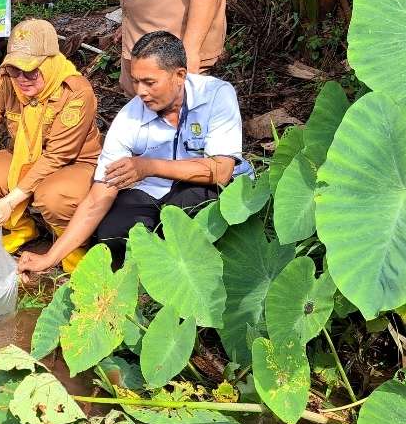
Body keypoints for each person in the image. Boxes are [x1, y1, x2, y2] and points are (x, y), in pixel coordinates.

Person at [18, 31, 252, 274]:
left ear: (180, 75)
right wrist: (49, 258)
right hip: (153, 192)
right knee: (111, 234)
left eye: (149, 82)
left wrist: (148, 166)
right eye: (135, 81)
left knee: (186, 212)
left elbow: (221, 171)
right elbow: (98, 198)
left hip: (210, 187)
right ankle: (150, 263)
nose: (140, 92)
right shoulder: (129, 116)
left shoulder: (216, 95)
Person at [0, 19, 102, 272]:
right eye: (15, 69)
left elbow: (57, 157)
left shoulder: (76, 91)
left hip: (73, 164)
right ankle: (23, 228)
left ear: (50, 62)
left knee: (54, 195)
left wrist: (10, 201)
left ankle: (71, 245)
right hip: (25, 156)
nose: (21, 78)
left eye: (30, 71)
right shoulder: (7, 81)